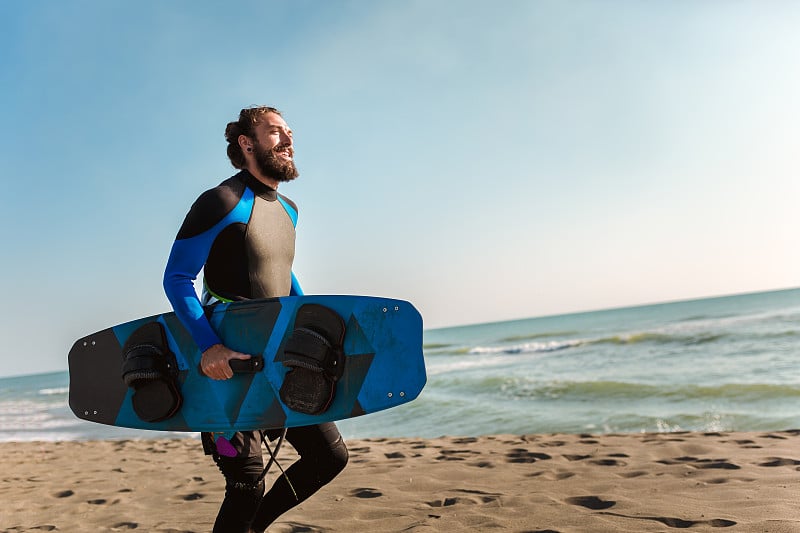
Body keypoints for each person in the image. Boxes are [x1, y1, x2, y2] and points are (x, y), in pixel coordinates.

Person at [163, 106, 348, 532]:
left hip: (280, 360)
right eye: (274, 132)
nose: (287, 139)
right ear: (247, 143)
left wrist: (309, 324)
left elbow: (281, 273)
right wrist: (208, 346)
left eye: (289, 132)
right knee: (246, 483)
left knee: (329, 457)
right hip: (227, 371)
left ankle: (253, 529)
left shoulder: (290, 209)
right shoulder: (221, 201)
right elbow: (177, 277)